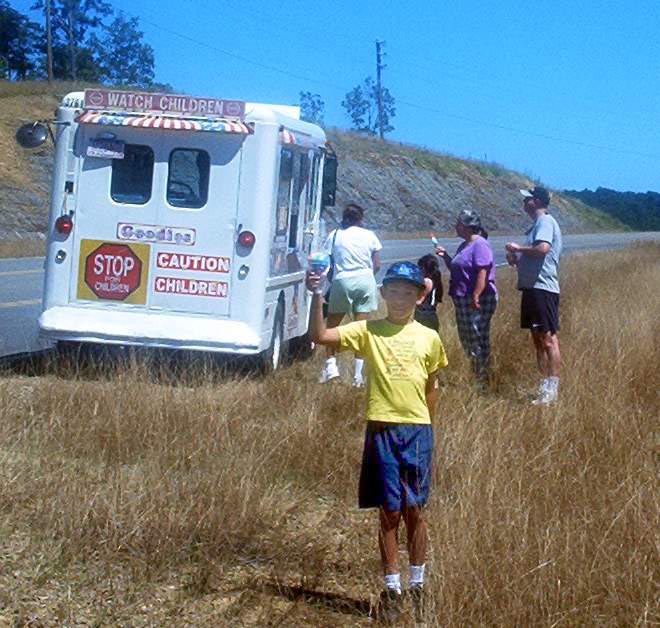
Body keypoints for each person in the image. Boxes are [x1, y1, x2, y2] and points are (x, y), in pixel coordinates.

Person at [306, 261, 448, 623]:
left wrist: (426, 429)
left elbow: (432, 388)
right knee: (390, 512)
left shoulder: (429, 338)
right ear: (383, 294)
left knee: (415, 510)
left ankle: (418, 583)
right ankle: (392, 588)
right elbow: (321, 337)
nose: (400, 297)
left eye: (408, 291)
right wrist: (317, 293)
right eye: (393, 290)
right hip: (381, 429)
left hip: (417, 431)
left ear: (420, 296)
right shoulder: (368, 330)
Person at [505, 186, 563, 405]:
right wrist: (516, 258)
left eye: (527, 198)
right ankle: (544, 385)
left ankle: (551, 389)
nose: (524, 202)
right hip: (531, 288)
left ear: (536, 201)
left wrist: (518, 248)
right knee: (538, 339)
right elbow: (534, 256)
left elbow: (542, 249)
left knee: (548, 339)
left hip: (542, 288)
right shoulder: (535, 226)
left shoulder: (545, 222)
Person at [320, 203, 382, 387]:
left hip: (342, 280)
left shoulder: (335, 235)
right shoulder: (370, 236)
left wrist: (333, 280)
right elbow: (377, 264)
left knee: (331, 327)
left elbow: (326, 261)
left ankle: (331, 367)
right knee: (361, 329)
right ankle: (357, 376)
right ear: (361, 218)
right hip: (365, 279)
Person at [435, 210, 497, 383]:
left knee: (477, 337)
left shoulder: (480, 244)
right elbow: (457, 267)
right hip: (462, 297)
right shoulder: (465, 245)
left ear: (467, 226)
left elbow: (482, 272)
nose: (456, 227)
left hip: (477, 299)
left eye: (458, 224)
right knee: (467, 337)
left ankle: (483, 379)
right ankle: (478, 374)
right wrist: (446, 257)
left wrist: (476, 296)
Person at [414, 254, 443, 332]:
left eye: (420, 267)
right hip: (431, 314)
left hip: (423, 315)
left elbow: (419, 301)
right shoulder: (436, 279)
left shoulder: (427, 281)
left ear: (424, 268)